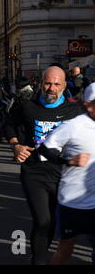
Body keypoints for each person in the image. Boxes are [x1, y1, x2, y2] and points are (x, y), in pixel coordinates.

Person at [4, 66, 84, 265]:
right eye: (48, 83)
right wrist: (15, 145)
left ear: (64, 86)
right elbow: (8, 125)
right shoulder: (27, 106)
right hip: (35, 172)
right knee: (43, 221)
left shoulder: (75, 110)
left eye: (57, 84)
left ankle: (38, 254)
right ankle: (38, 261)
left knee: (53, 223)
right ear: (40, 83)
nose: (52, 88)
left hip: (64, 175)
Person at [36, 83, 95, 264]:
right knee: (66, 249)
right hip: (72, 202)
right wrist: (69, 161)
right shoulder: (74, 125)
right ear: (88, 104)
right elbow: (45, 149)